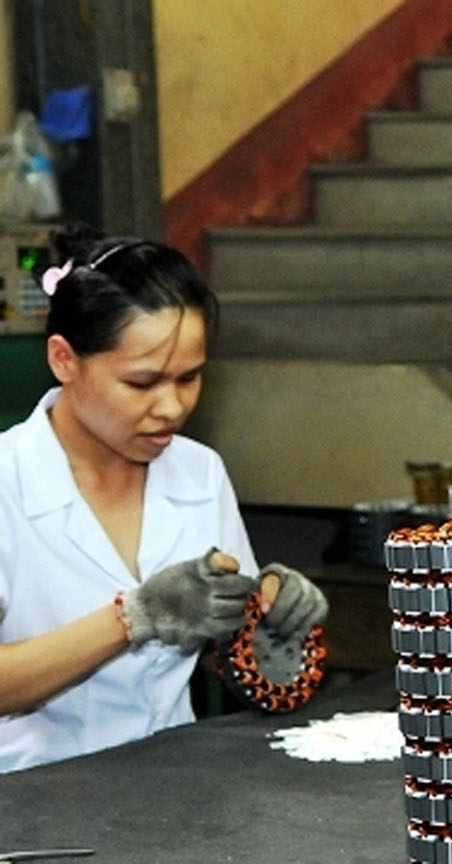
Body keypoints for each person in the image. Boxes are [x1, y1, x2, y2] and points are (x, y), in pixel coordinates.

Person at [0, 227, 328, 773]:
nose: (171, 407)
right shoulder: (7, 481)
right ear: (64, 360)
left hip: (173, 787)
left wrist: (271, 626)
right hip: (30, 801)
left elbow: (232, 658)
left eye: (189, 378)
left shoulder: (199, 472)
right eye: (142, 382)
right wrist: (134, 618)